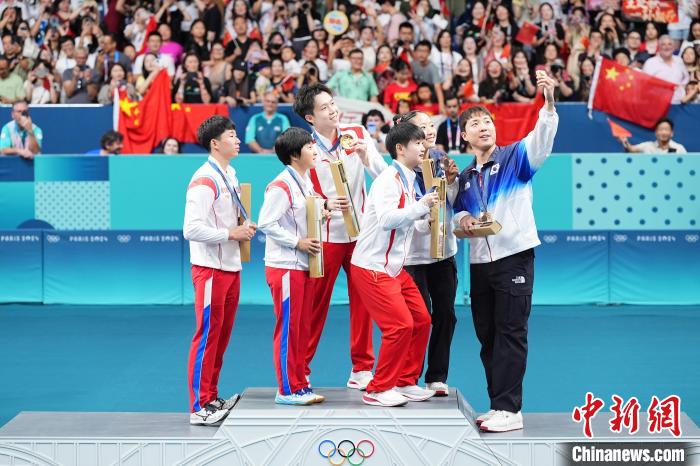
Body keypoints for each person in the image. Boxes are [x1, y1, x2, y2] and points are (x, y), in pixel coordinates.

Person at [453, 72, 559, 433]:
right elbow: (456, 210)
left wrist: (548, 104)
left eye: (487, 122)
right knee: (488, 336)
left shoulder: (516, 157)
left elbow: (542, 139)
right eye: (475, 124)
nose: (484, 127)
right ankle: (497, 404)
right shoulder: (466, 177)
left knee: (511, 332)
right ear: (464, 136)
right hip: (480, 263)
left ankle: (511, 410)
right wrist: (464, 218)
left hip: (514, 256)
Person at [293, 83, 388, 391]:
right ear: (310, 117)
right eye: (324, 108)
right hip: (325, 237)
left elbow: (384, 176)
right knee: (315, 306)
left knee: (364, 303)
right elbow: (300, 194)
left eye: (332, 103)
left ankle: (362, 368)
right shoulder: (304, 146)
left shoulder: (357, 134)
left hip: (361, 235)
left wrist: (366, 156)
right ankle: (300, 370)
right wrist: (325, 203)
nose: (333, 110)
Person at [350, 122, 439, 407]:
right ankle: (378, 389)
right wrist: (421, 207)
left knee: (422, 320)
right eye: (418, 143)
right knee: (400, 326)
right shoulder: (388, 180)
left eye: (423, 142)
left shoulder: (410, 179)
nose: (424, 147)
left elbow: (407, 222)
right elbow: (387, 219)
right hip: (372, 267)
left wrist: (425, 221)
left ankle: (405, 381)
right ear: (400, 148)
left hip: (394, 269)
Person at [257, 127, 344, 405]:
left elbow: (303, 216)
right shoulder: (281, 185)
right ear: (295, 155)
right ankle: (286, 389)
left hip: (303, 265)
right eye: (309, 147)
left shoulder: (305, 182)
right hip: (286, 266)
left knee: (301, 327)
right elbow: (266, 223)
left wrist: (325, 212)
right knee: (289, 328)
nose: (315, 150)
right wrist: (298, 242)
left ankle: (299, 383)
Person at [183, 115, 257, 425]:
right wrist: (231, 233)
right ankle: (199, 407)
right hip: (210, 269)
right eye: (231, 136)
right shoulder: (205, 180)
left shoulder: (230, 173)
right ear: (215, 143)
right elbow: (191, 229)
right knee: (207, 335)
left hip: (230, 266)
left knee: (221, 336)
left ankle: (211, 396)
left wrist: (242, 227)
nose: (238, 140)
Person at [396, 110, 460, 397]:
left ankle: (436, 376)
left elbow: (455, 202)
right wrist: (423, 223)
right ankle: (408, 377)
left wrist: (453, 181)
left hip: (443, 253)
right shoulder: (402, 169)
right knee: (417, 319)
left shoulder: (442, 160)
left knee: (446, 315)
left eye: (431, 125)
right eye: (422, 127)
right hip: (413, 257)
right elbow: (399, 212)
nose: (430, 130)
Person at [643, 35, 690, 104]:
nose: (667, 47)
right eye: (663, 44)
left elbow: (686, 77)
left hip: (679, 104)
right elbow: (645, 84)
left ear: (673, 47)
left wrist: (682, 87)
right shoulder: (650, 62)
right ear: (659, 47)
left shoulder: (679, 60)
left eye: (669, 44)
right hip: (658, 104)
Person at [617, 118, 687, 154]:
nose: (663, 132)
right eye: (661, 129)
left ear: (672, 133)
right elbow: (631, 149)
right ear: (656, 133)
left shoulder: (679, 148)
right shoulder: (648, 146)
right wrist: (625, 142)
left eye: (666, 129)